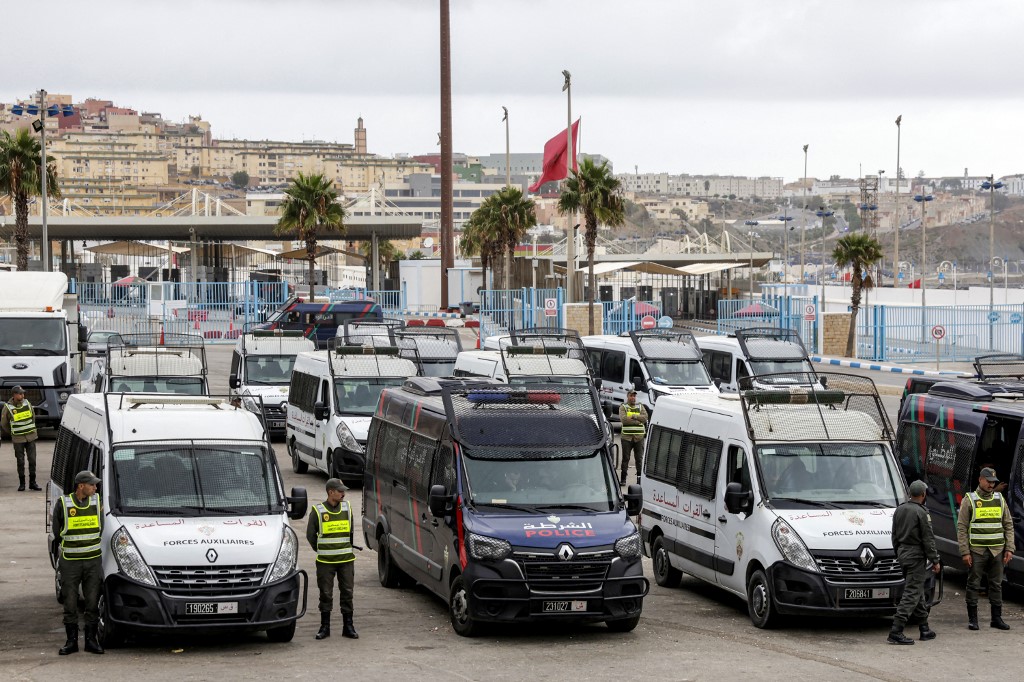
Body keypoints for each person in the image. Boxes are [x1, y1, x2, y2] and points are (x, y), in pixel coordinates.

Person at [52, 471, 105, 655]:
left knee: (92, 602)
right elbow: (57, 532)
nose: (95, 487)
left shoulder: (97, 502)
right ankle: (71, 642)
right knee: (70, 603)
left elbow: (102, 527)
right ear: (81, 486)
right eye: (92, 484)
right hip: (70, 564)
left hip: (92, 562)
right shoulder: (63, 504)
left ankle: (91, 640)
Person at [957, 467, 1015, 630]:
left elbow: (1008, 525)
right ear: (980, 480)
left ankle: (996, 619)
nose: (991, 485)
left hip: (997, 550)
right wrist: (965, 552)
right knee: (973, 584)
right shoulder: (970, 499)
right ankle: (973, 619)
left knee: (996, 584)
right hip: (977, 551)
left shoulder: (999, 499)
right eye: (988, 481)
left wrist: (1009, 547)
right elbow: (962, 527)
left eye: (993, 482)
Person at [888, 480, 941, 645]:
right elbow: (928, 539)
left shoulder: (900, 509)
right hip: (916, 556)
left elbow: (894, 535)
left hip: (903, 554)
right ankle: (896, 630)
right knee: (912, 593)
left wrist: (899, 552)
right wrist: (935, 560)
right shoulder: (922, 512)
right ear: (923, 495)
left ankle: (924, 628)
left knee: (917, 591)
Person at [307, 478, 358, 640]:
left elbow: (350, 532)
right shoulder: (318, 511)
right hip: (325, 562)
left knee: (347, 593)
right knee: (326, 594)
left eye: (343, 491)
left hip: (346, 560)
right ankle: (325, 627)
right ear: (331, 492)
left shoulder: (347, 508)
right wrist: (322, 549)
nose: (343, 493)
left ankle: (348, 626)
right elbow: (310, 536)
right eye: (340, 491)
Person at [3, 386, 40, 491]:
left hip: (31, 437)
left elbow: (33, 417)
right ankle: (22, 483)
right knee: (20, 461)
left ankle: (33, 483)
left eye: (23, 393)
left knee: (32, 461)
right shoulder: (8, 407)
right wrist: (13, 432)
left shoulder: (27, 403)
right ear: (14, 395)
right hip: (18, 439)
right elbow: (4, 423)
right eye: (20, 394)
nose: (22, 395)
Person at [618, 391, 648, 486]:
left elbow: (645, 418)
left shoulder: (640, 406)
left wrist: (634, 416)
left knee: (639, 459)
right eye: (631, 396)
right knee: (625, 459)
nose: (633, 398)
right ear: (627, 397)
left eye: (634, 396)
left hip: (639, 438)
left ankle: (639, 480)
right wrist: (637, 421)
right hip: (626, 438)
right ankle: (623, 479)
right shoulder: (623, 407)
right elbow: (624, 420)